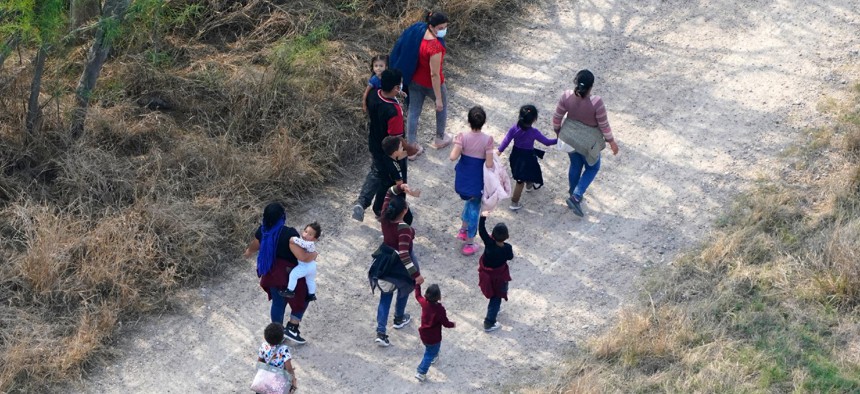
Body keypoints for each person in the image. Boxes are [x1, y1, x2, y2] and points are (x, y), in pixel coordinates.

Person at [552, 69, 620, 217]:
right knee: (593, 168)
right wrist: (611, 142)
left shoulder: (566, 96)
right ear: (591, 86)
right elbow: (604, 125)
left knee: (575, 165)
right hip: (588, 142)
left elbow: (557, 117)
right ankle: (576, 196)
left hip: (569, 138)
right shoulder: (596, 102)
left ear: (576, 82)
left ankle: (573, 191)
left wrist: (558, 133)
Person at [243, 203, 314, 344]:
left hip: (271, 274)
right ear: (282, 217)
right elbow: (302, 257)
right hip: (289, 275)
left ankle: (278, 335)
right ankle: (292, 328)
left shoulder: (262, 231)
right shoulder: (289, 234)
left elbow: (254, 247)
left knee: (277, 303)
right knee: (304, 297)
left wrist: (247, 253)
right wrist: (314, 254)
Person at [352, 71, 417, 222]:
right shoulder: (394, 111)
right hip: (391, 151)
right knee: (397, 179)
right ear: (395, 87)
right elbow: (396, 139)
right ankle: (400, 214)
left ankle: (370, 205)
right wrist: (410, 149)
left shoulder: (373, 95)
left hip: (374, 143)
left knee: (379, 173)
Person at [390, 11, 452, 152]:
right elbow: (434, 74)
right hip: (431, 84)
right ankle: (440, 138)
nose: (443, 31)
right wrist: (438, 99)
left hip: (414, 80)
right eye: (441, 28)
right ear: (431, 26)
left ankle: (411, 146)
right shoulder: (435, 47)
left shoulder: (418, 30)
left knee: (413, 111)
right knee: (442, 108)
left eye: (445, 27)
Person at [375, 183, 424, 347]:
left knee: (385, 296)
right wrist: (416, 275)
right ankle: (399, 317)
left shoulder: (384, 215)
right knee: (405, 288)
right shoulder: (404, 229)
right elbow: (404, 253)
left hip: (385, 260)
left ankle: (381, 332)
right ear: (404, 211)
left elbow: (388, 192)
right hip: (400, 265)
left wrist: (400, 187)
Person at [450, 106, 494, 256]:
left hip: (463, 180)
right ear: (484, 122)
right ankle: (469, 243)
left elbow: (452, 157)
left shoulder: (462, 137)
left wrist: (457, 143)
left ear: (469, 121)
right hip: (477, 181)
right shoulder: (488, 140)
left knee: (468, 202)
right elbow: (488, 164)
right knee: (475, 207)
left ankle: (463, 229)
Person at [498, 105, 558, 210]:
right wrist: (558, 140)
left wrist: (499, 151)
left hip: (516, 156)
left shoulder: (514, 128)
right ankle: (514, 203)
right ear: (534, 119)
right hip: (528, 157)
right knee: (521, 180)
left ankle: (529, 185)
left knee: (522, 175)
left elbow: (506, 141)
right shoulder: (533, 132)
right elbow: (547, 142)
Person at [476, 211, 513, 332]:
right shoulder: (507, 248)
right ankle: (489, 322)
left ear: (492, 234)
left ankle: (494, 310)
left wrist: (483, 216)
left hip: (486, 274)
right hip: (499, 277)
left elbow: (481, 230)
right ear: (507, 236)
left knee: (494, 296)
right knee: (497, 297)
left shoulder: (489, 243)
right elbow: (510, 257)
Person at [414, 283, 455, 382]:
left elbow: (417, 296)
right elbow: (445, 323)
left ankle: (434, 356)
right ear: (439, 297)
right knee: (429, 353)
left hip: (424, 334)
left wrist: (417, 285)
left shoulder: (424, 303)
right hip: (434, 337)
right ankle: (421, 372)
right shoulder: (440, 310)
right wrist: (452, 324)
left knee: (430, 348)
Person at [279, 222, 321, 300]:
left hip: (305, 266)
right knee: (310, 280)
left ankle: (290, 290)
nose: (306, 235)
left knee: (293, 275)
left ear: (314, 239)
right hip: (312, 266)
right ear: (303, 231)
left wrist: (294, 239)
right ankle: (311, 294)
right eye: (305, 232)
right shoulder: (309, 243)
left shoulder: (310, 244)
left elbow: (302, 244)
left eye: (310, 235)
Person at [255, 323, 298, 392]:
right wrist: (293, 381)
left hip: (265, 379)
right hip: (278, 380)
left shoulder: (263, 346)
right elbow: (289, 369)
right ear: (282, 338)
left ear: (265, 337)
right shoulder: (284, 350)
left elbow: (259, 362)